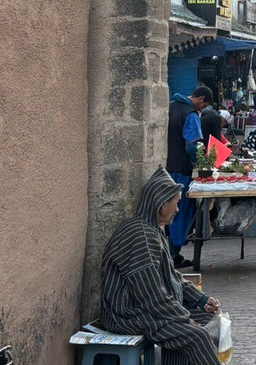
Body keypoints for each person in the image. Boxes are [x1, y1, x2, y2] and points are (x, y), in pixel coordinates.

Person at [100, 167, 221, 365]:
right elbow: (150, 296)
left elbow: (172, 276)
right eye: (176, 204)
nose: (179, 209)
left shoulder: (152, 230)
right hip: (127, 314)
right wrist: (183, 318)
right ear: (161, 206)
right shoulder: (140, 235)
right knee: (196, 336)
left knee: (209, 320)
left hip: (144, 308)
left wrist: (201, 300)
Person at [165, 85, 210, 266]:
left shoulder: (170, 106)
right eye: (204, 105)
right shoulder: (190, 114)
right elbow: (193, 146)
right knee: (180, 211)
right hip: (182, 170)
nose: (203, 109)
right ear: (199, 99)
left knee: (165, 211)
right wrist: (202, 163)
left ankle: (167, 253)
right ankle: (173, 254)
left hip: (166, 168)